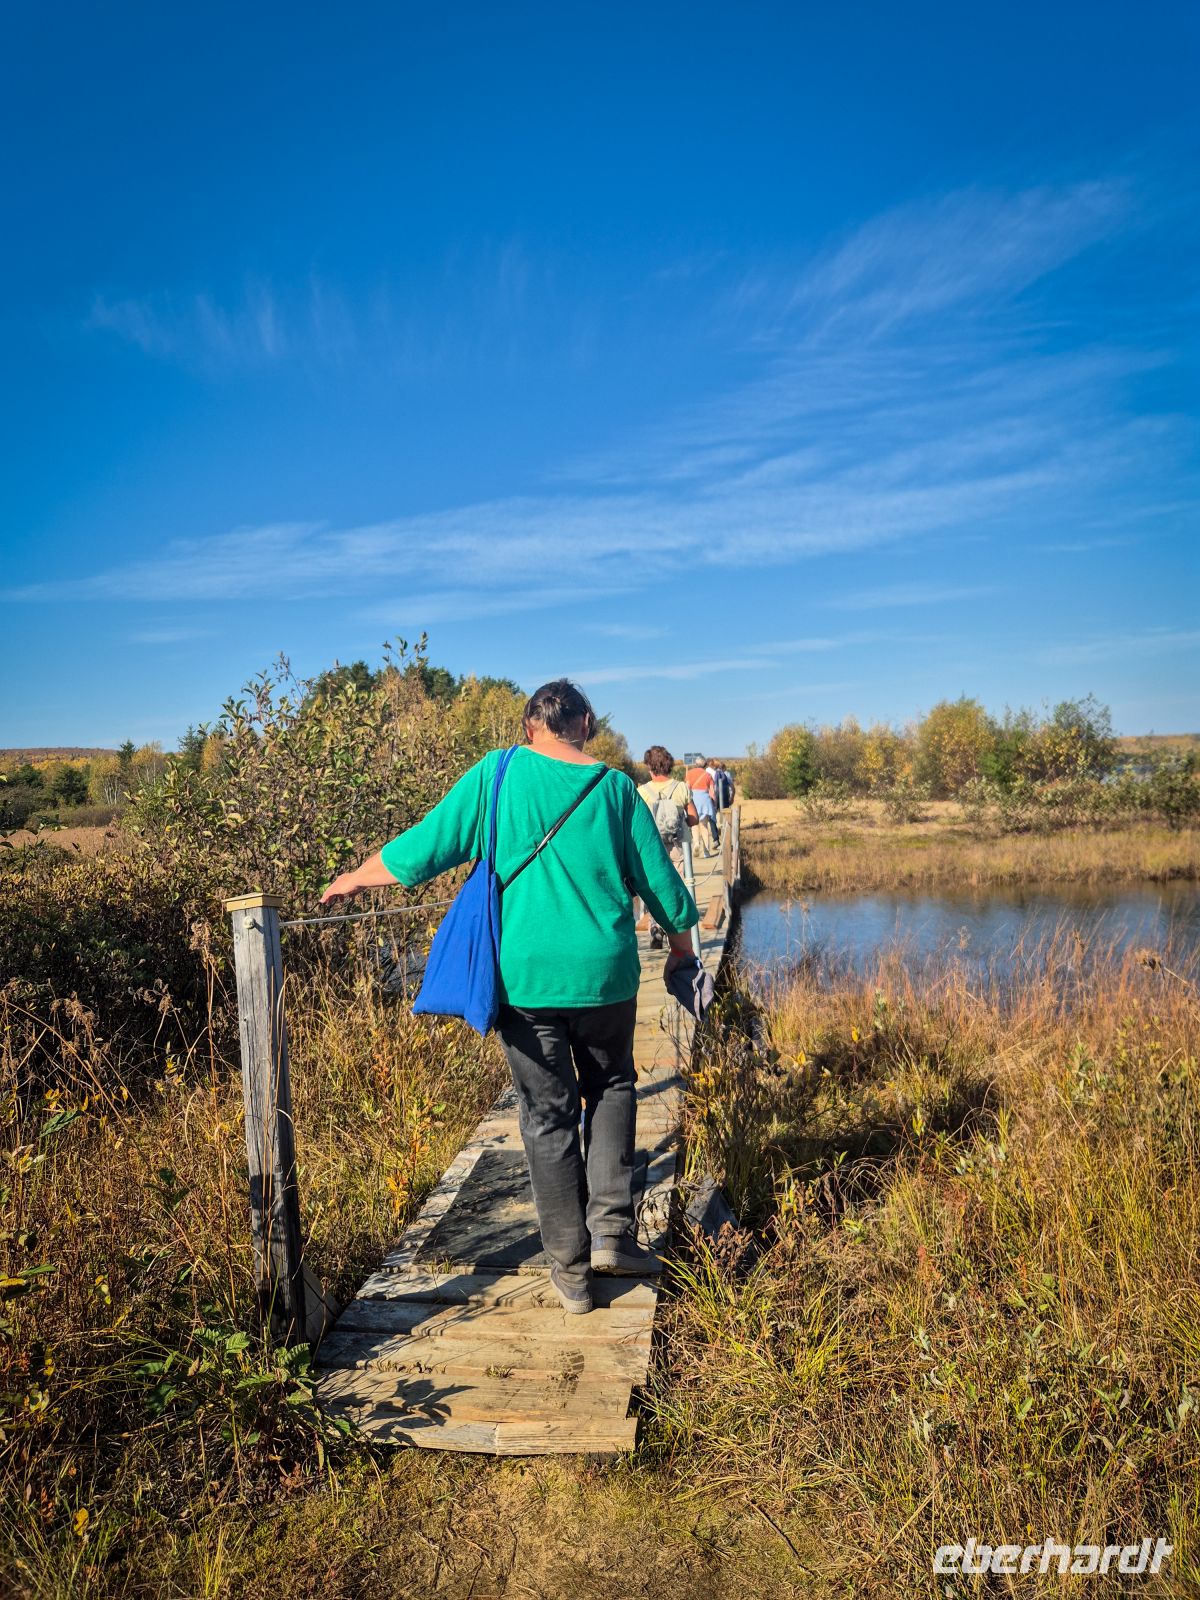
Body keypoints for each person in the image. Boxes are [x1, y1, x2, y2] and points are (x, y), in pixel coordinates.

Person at [320, 679, 700, 1316]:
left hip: (522, 981)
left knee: (546, 1115)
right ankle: (612, 1234)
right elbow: (666, 891)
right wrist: (684, 951)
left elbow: (425, 847)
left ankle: (571, 1272)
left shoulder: (495, 776)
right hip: (604, 976)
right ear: (585, 725)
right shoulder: (614, 791)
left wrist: (357, 878)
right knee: (611, 1087)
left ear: (530, 728)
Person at [637, 745, 698, 947]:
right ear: (669, 764)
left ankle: (655, 925)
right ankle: (679, 936)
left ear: (650, 767)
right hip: (679, 847)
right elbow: (694, 819)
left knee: (654, 888)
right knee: (680, 888)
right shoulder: (681, 788)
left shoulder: (642, 792)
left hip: (652, 851)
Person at [686, 757, 720, 855]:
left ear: (695, 764)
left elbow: (687, 788)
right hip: (705, 801)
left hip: (693, 801)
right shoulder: (708, 775)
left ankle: (696, 843)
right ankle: (706, 851)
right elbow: (712, 793)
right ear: (705, 765)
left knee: (694, 825)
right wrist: (715, 803)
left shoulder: (689, 774)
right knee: (704, 826)